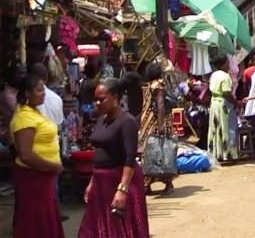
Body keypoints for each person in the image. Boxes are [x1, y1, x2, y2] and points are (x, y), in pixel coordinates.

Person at [79, 78, 149, 238]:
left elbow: (130, 158)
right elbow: (100, 152)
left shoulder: (127, 122)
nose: (97, 103)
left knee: (121, 230)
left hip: (119, 182)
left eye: (101, 99)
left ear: (115, 98)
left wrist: (122, 190)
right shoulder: (101, 119)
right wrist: (92, 182)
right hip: (101, 183)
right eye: (95, 99)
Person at [10, 74, 64, 238]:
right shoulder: (24, 117)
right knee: (35, 222)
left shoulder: (33, 112)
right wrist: (54, 166)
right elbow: (25, 155)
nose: (44, 93)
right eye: (39, 90)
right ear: (27, 93)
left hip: (42, 177)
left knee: (44, 219)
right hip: (33, 177)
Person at [140, 62, 176, 194]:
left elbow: (160, 103)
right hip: (152, 121)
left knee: (157, 151)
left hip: (154, 122)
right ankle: (150, 183)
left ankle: (164, 183)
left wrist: (160, 125)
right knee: (156, 151)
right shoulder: (156, 84)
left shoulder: (155, 85)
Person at [207, 55, 241, 165]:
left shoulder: (213, 75)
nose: (229, 64)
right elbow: (226, 93)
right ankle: (229, 154)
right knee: (228, 128)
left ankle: (216, 154)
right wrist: (236, 103)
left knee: (215, 128)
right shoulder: (225, 76)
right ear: (222, 64)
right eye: (227, 62)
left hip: (214, 104)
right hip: (224, 105)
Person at [29, 63, 64, 129]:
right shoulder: (56, 99)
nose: (43, 94)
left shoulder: (28, 99)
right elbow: (59, 125)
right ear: (46, 78)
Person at [0, 64, 26, 144]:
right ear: (10, 75)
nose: (22, 76)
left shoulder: (20, 91)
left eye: (24, 73)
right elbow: (21, 113)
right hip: (11, 137)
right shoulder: (7, 94)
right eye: (19, 73)